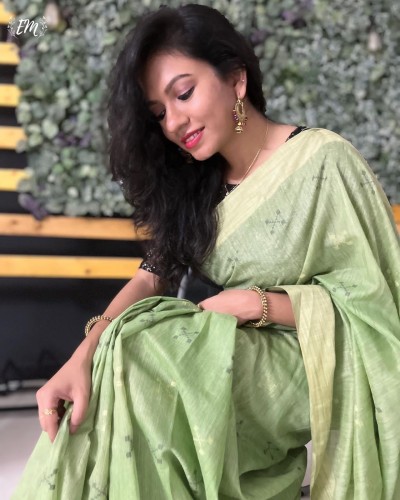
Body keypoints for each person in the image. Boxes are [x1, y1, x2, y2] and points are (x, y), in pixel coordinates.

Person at [13, 4, 400, 500]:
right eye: (159, 113)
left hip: (311, 359)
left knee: (151, 356)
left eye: (184, 93)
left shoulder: (323, 160)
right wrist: (82, 357)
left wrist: (257, 303)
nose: (173, 122)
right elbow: (151, 274)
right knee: (126, 353)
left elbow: (377, 304)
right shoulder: (196, 183)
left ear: (236, 80)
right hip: (231, 351)